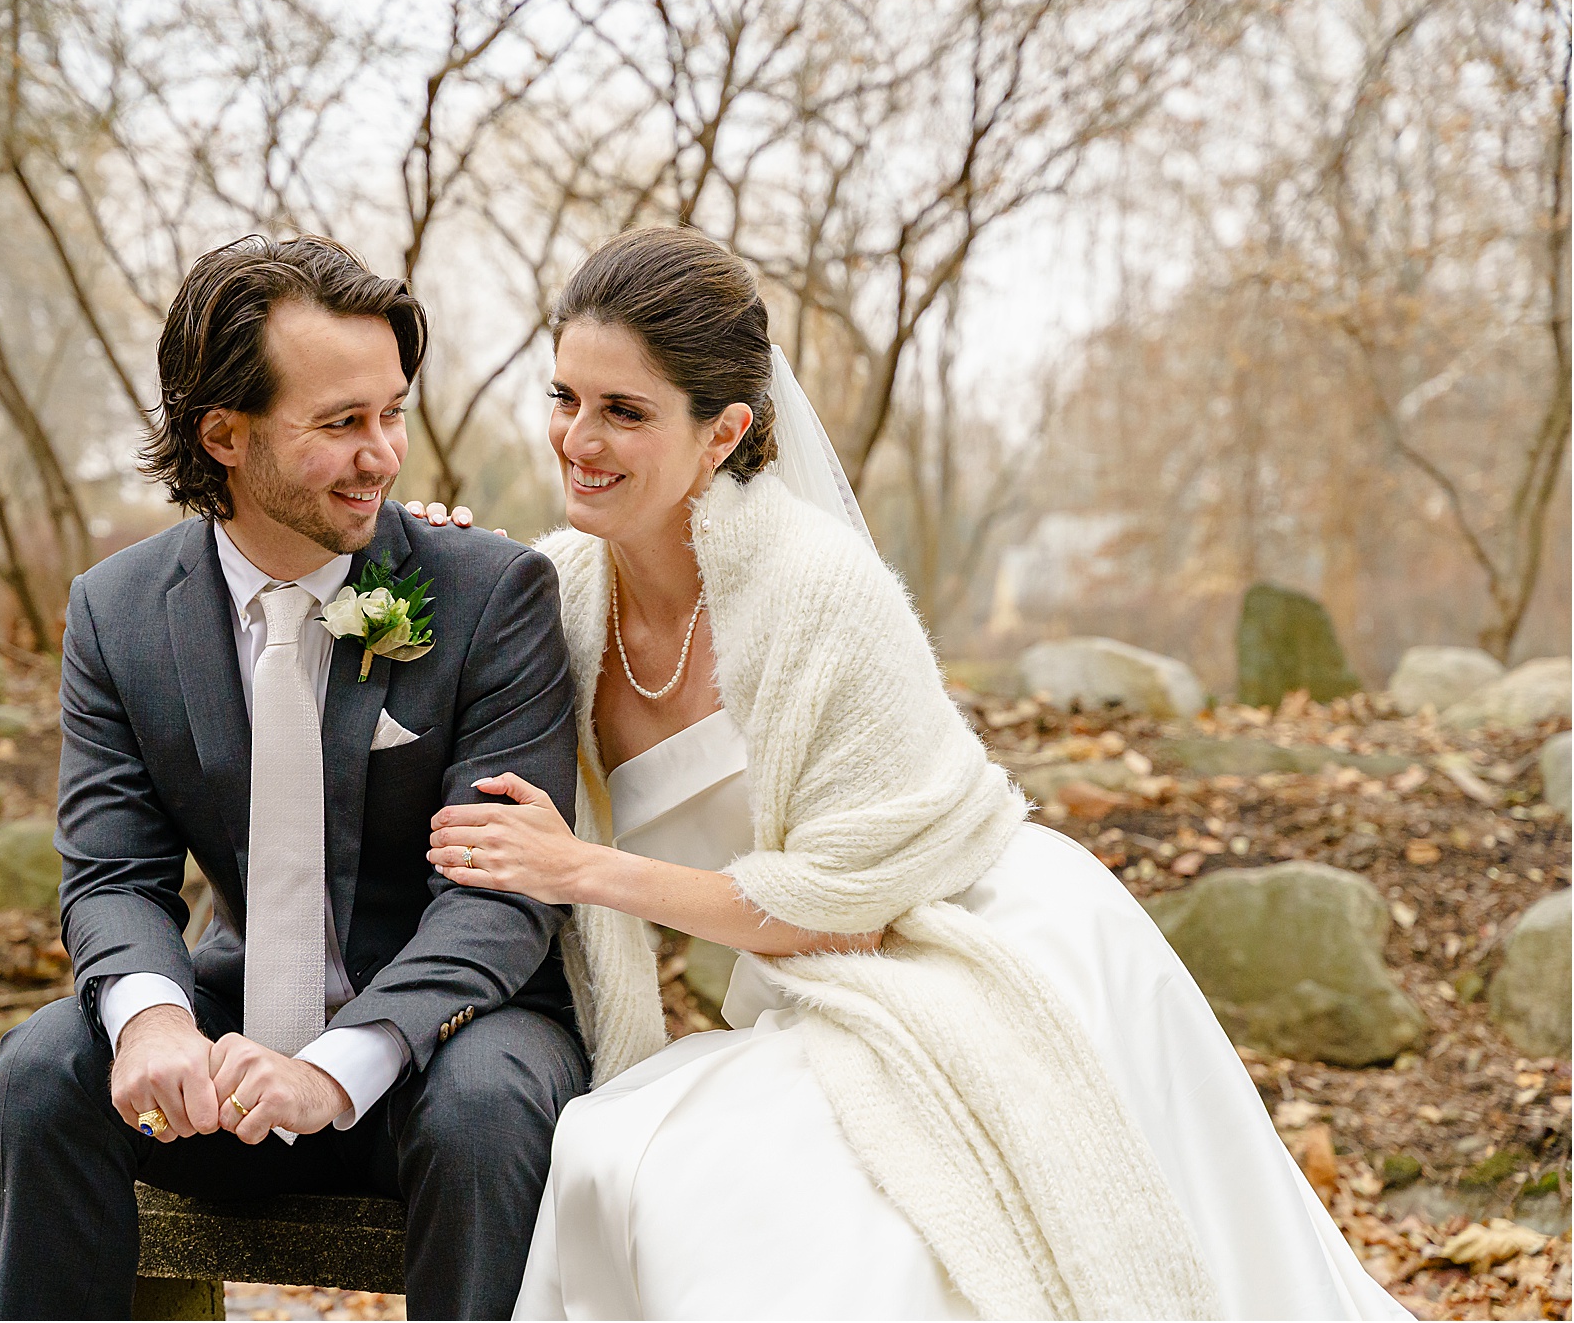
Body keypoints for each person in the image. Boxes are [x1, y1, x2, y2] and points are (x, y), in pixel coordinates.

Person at [416, 225, 1410, 1319]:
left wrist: (583, 870)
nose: (577, 438)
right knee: (641, 1162)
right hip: (808, 972)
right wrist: (438, 570)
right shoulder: (552, 590)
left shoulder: (818, 591)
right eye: (564, 397)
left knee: (800, 1213)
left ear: (724, 432)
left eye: (624, 412)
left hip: (971, 938)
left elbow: (847, 909)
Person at [0, 235, 588, 1320]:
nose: (384, 455)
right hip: (237, 1046)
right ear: (224, 434)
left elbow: (499, 896)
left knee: (489, 1105)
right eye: (341, 424)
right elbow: (112, 871)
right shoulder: (117, 614)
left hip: (448, 1053)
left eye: (391, 412)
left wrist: (342, 1064)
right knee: (44, 1066)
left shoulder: (490, 593)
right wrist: (154, 1021)